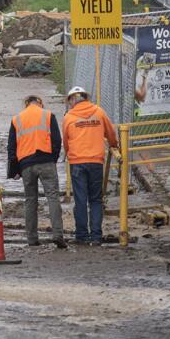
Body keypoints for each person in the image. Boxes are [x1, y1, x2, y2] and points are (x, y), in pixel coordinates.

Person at [7, 94, 66, 248]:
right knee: (53, 197)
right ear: (40, 103)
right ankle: (58, 234)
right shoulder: (48, 115)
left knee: (30, 200)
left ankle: (32, 239)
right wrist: (52, 158)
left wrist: (15, 170)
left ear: (26, 104)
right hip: (46, 161)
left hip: (26, 165)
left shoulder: (17, 119)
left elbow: (11, 148)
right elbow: (57, 141)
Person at [62, 86, 118, 245]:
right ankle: (96, 236)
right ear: (86, 97)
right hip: (96, 162)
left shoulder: (69, 117)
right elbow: (111, 133)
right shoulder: (99, 112)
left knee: (80, 200)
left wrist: (69, 154)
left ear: (72, 100)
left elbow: (65, 142)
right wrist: (114, 145)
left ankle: (81, 235)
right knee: (95, 200)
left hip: (77, 162)